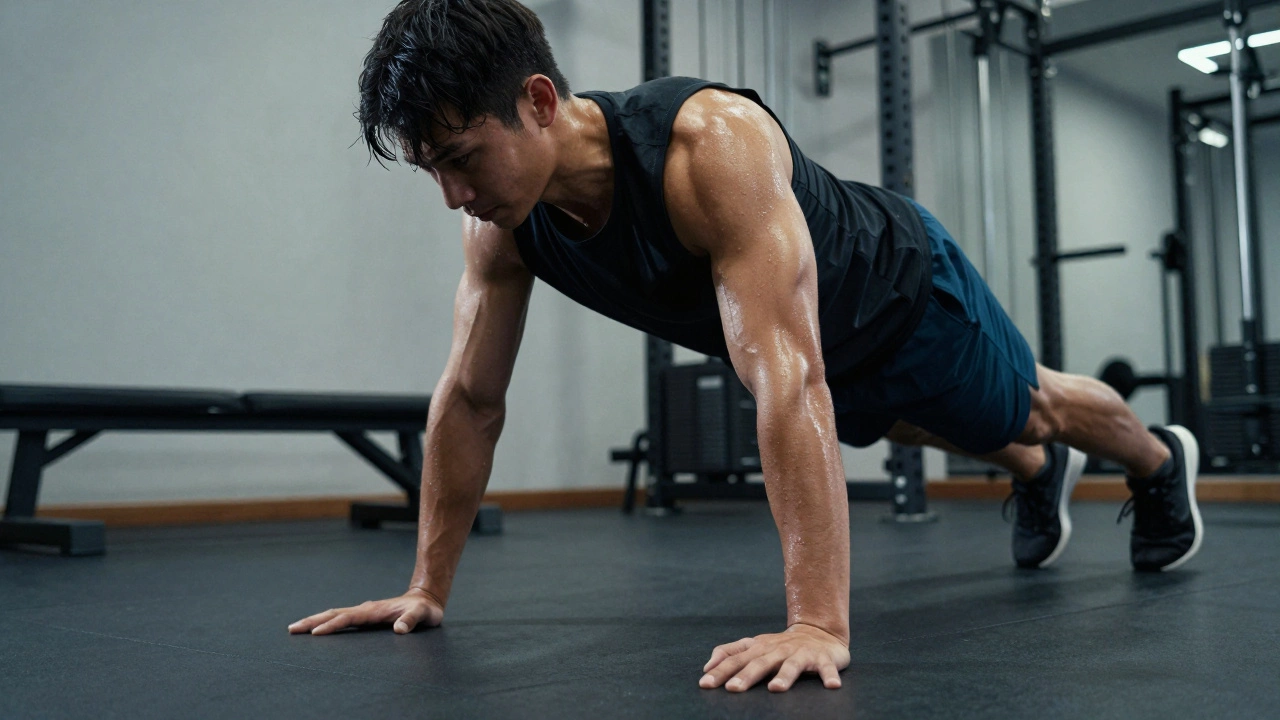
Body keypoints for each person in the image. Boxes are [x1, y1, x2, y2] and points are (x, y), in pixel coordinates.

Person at [288, 0, 1203, 694]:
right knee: (919, 427)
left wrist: (817, 624)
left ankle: (1159, 462)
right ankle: (1038, 473)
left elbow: (790, 380)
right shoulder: (503, 229)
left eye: (461, 158)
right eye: (432, 170)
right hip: (828, 353)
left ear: (537, 101)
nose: (453, 195)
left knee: (1028, 404)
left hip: (904, 292)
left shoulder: (706, 147)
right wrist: (426, 586)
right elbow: (472, 397)